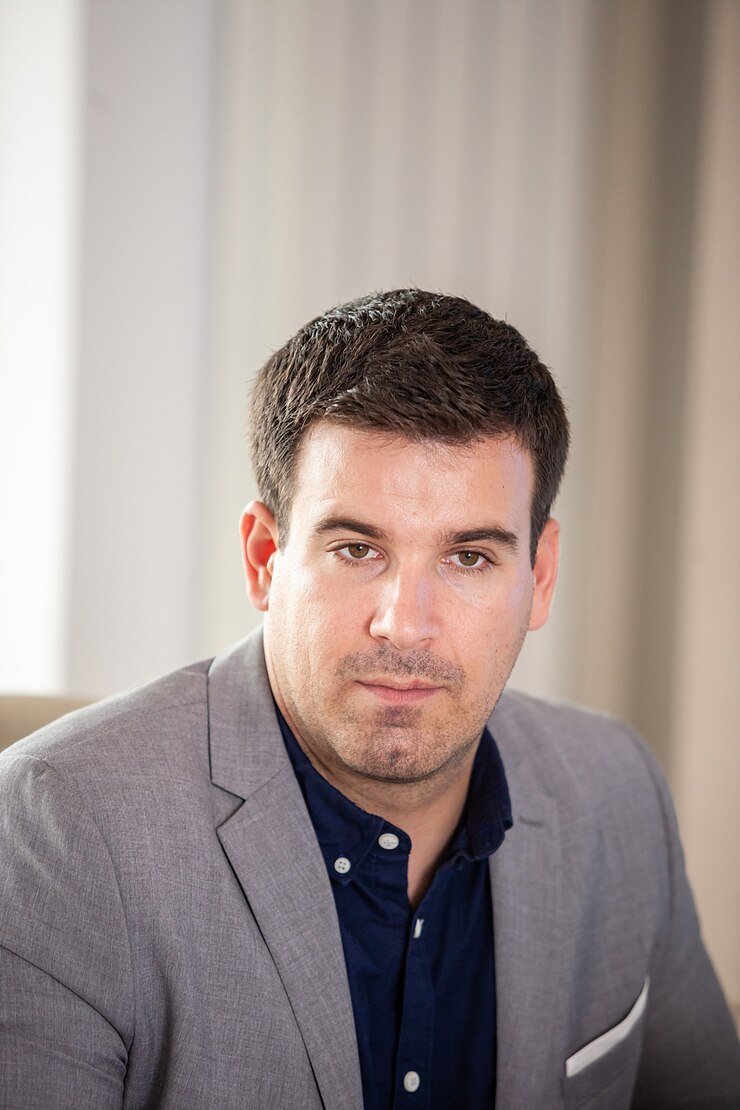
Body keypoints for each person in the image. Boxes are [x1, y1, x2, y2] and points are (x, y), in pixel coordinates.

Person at [0, 290, 737, 1110]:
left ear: (541, 575)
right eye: (357, 549)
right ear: (265, 560)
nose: (405, 625)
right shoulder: (54, 833)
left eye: (468, 558)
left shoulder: (615, 790)